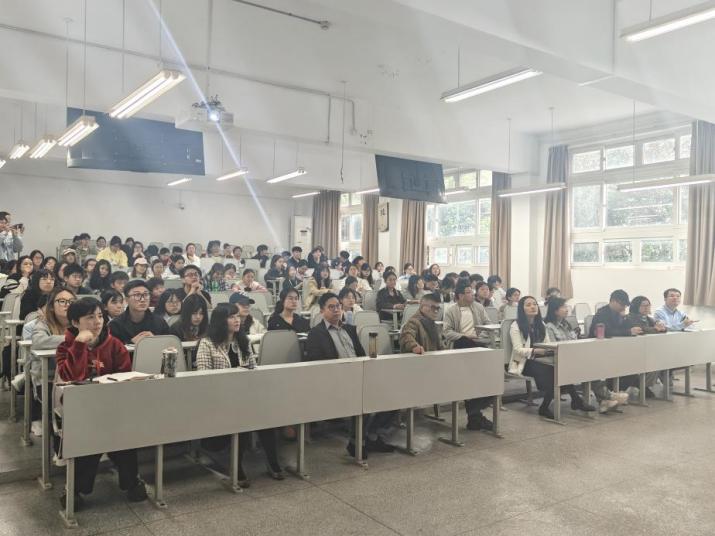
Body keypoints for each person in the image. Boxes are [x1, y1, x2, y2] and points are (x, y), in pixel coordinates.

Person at [56, 297, 147, 509]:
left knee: (124, 437)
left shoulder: (114, 344)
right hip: (81, 408)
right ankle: (76, 488)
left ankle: (131, 481)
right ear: (75, 322)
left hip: (112, 405)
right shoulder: (65, 347)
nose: (97, 322)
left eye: (100, 316)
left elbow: (125, 375)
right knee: (88, 437)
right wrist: (79, 345)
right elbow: (71, 376)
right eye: (90, 317)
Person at [196, 303, 283, 483]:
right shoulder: (207, 343)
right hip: (219, 397)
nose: (237, 320)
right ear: (221, 320)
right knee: (243, 417)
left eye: (237, 316)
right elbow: (204, 377)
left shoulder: (243, 341)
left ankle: (272, 461)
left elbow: (253, 369)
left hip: (244, 395)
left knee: (266, 416)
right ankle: (236, 466)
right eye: (232, 317)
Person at [305, 292, 394, 457]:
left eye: (338, 306)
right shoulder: (316, 334)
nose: (336, 310)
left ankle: (372, 435)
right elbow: (316, 364)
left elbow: (361, 355)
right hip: (336, 380)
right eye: (331, 307)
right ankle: (356, 442)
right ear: (322, 311)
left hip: (359, 376)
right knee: (364, 398)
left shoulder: (350, 330)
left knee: (394, 395)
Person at [508, 296, 595, 419]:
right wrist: (535, 351)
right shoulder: (516, 326)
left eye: (534, 304)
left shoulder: (541, 324)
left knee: (561, 368)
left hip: (541, 359)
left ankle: (573, 401)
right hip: (524, 362)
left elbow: (548, 344)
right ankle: (571, 402)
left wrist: (547, 350)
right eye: (528, 305)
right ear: (522, 309)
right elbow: (518, 350)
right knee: (553, 371)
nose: (533, 307)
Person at [109, 280, 170, 344]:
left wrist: (155, 341)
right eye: (137, 295)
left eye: (146, 294)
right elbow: (112, 348)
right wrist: (131, 343)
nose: (142, 299)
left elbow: (169, 345)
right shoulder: (115, 325)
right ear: (126, 300)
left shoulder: (160, 322)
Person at [442, 282, 489, 349]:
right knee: (465, 342)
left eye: (472, 292)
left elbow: (488, 323)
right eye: (469, 292)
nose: (473, 294)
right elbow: (447, 331)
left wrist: (480, 336)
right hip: (460, 340)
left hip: (478, 339)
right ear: (461, 296)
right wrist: (465, 336)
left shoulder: (479, 307)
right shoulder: (451, 310)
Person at [169, 293, 208, 368]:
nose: (198, 317)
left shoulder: (207, 328)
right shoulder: (176, 329)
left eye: (201, 313)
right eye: (194, 313)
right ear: (186, 313)